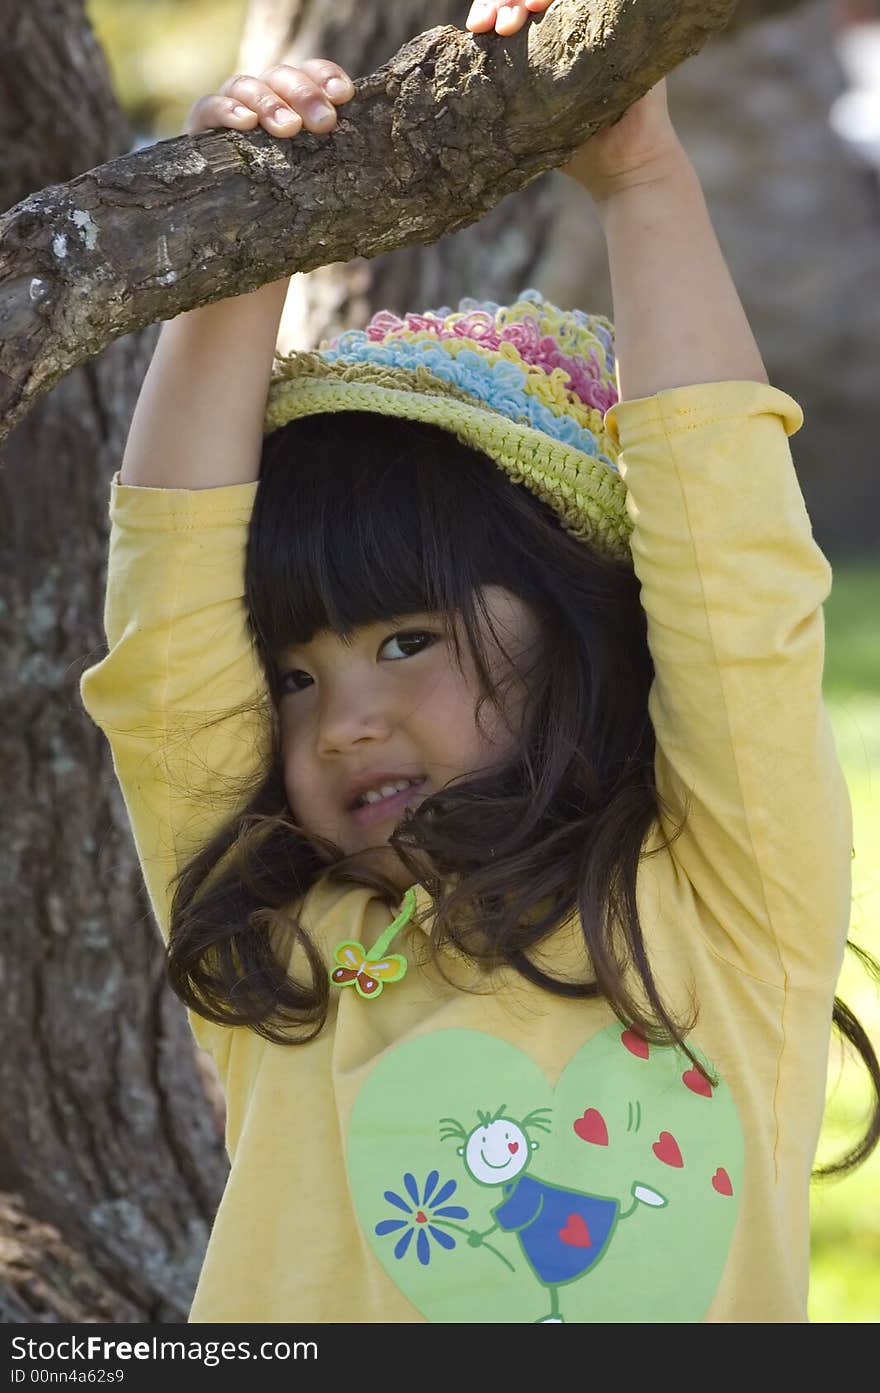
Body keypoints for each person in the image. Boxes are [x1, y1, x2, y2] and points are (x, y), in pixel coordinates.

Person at [79, 0, 878, 1324]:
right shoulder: (276, 949)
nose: (342, 721)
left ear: (577, 623)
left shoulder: (723, 899)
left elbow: (733, 572)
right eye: (292, 674)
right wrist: (239, 236)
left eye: (406, 639)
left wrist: (644, 175)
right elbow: (167, 637)